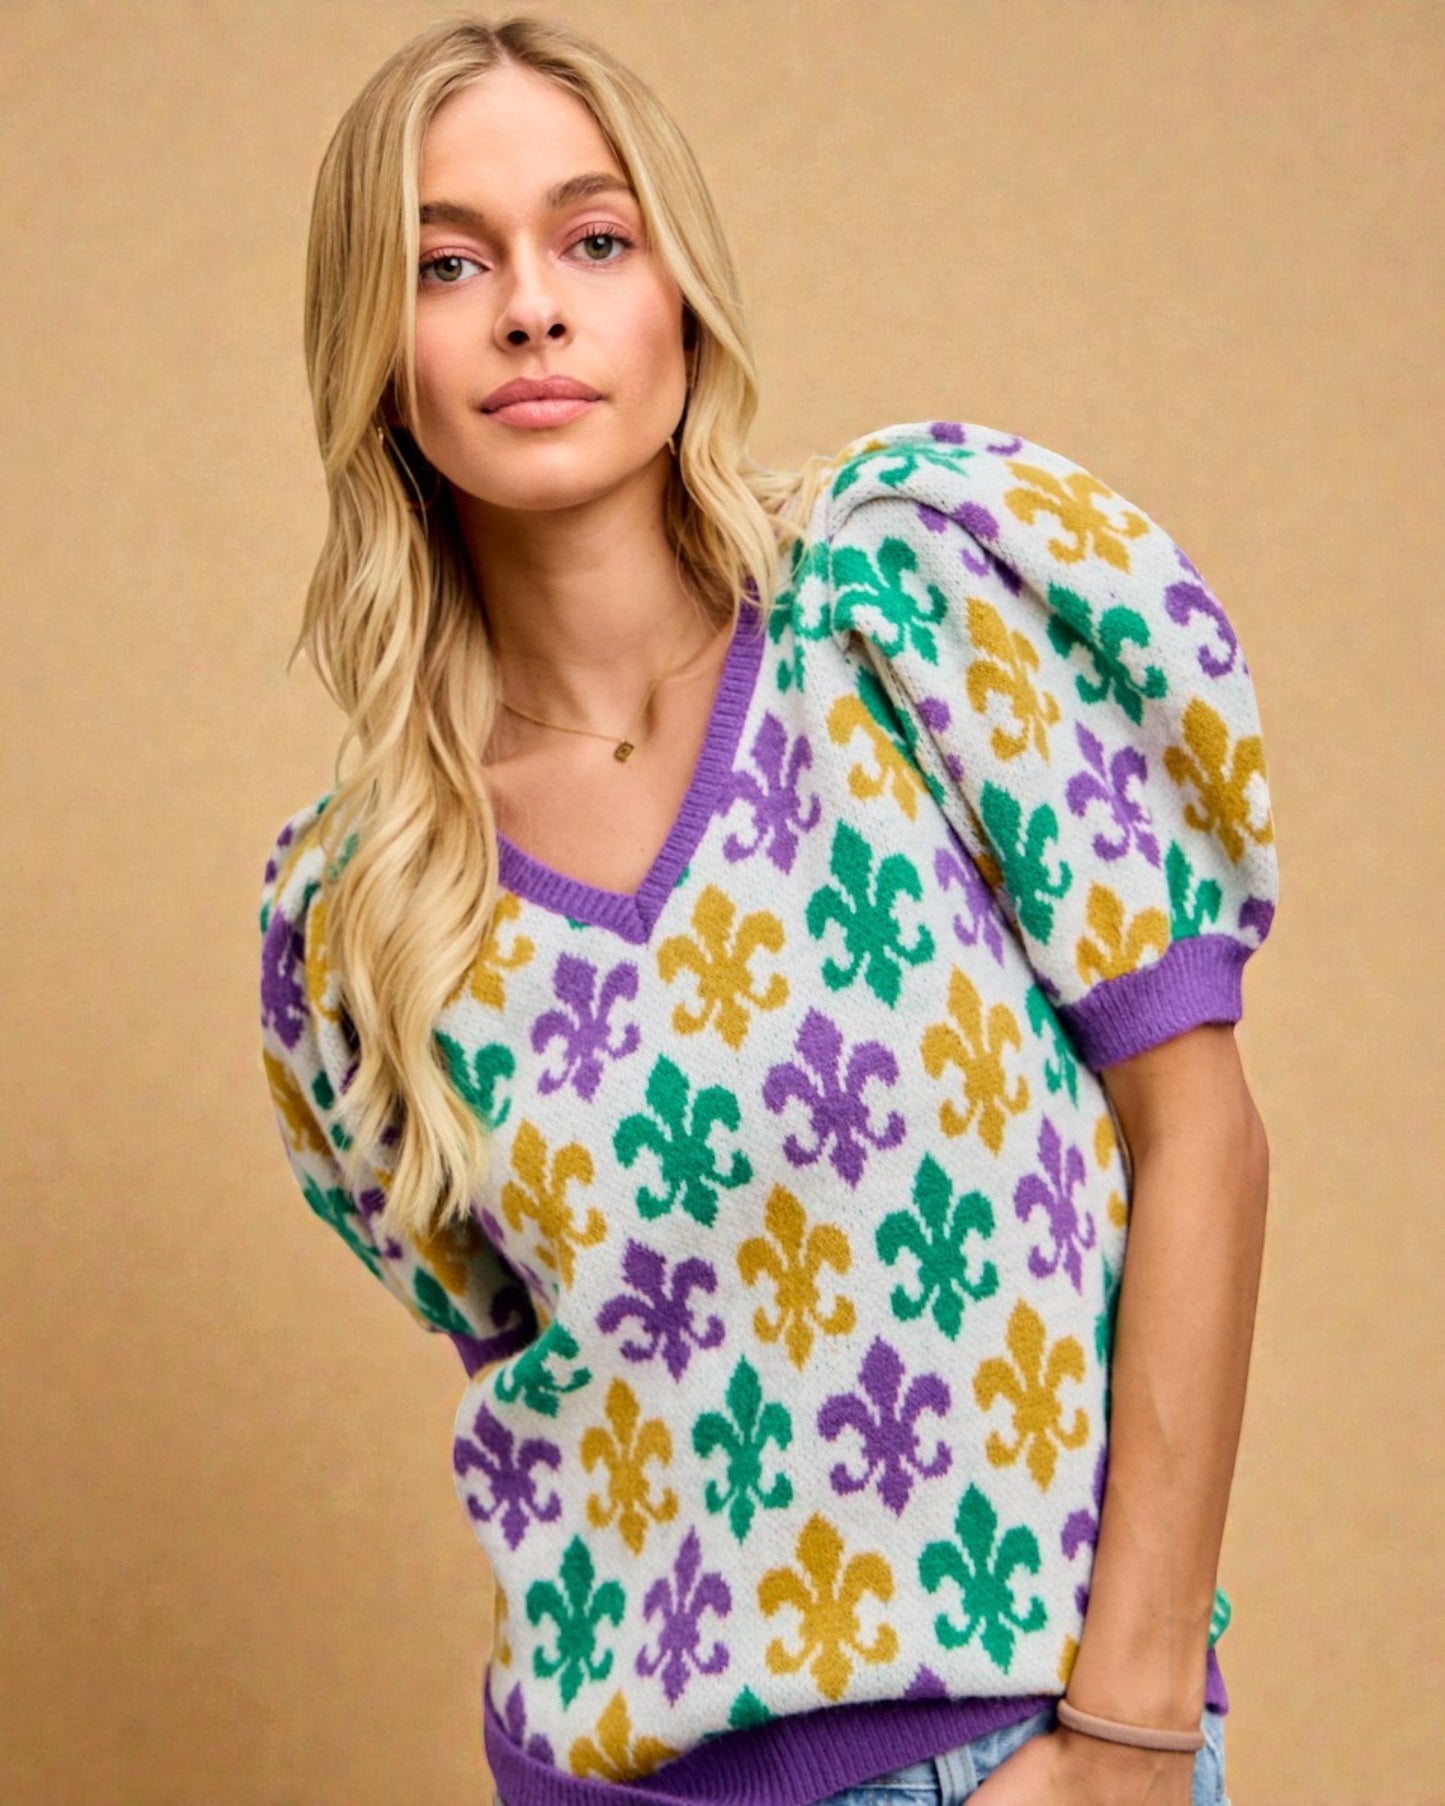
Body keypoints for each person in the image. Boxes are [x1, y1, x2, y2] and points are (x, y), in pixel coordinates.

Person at [257, 14, 1274, 1806]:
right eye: (445, 261)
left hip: (1035, 1751)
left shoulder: (914, 614)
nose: (528, 308)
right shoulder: (363, 908)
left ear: (678, 292)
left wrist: (1125, 1730)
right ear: (378, 351)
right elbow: (547, 1384)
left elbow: (1195, 1130)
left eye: (591, 237)